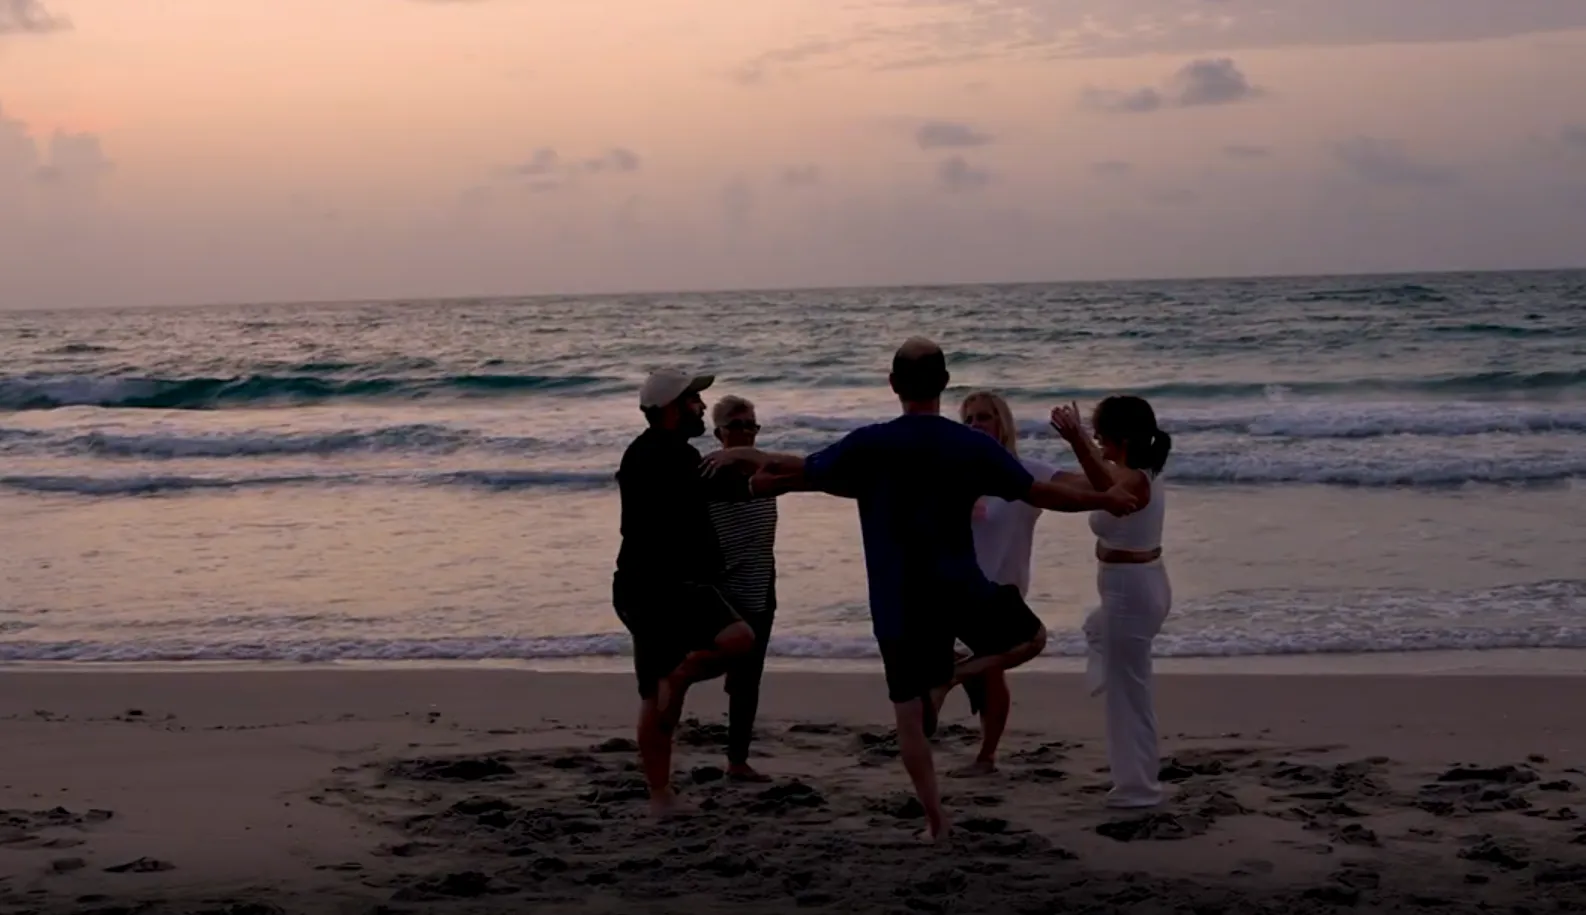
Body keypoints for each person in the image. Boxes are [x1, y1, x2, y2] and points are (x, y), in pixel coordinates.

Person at [703, 338, 1139, 842]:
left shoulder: (869, 444)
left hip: (896, 598)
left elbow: (806, 470)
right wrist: (1102, 498)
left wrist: (751, 460)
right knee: (1031, 638)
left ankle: (936, 822)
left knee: (909, 719)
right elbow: (1039, 492)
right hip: (957, 584)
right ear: (945, 384)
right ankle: (952, 679)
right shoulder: (970, 445)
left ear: (893, 385)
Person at [613, 368, 764, 818]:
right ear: (672, 409)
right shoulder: (670, 456)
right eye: (694, 401)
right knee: (738, 641)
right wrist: (808, 474)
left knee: (657, 690)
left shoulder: (650, 452)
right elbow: (742, 489)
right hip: (660, 589)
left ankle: (661, 794)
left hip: (657, 586)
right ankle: (660, 791)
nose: (701, 407)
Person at [1050, 395, 1173, 809]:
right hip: (1135, 588)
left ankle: (1137, 789)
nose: (1098, 443)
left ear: (1121, 438)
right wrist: (1017, 476)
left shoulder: (1136, 480)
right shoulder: (1130, 471)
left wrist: (1077, 440)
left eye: (1102, 436)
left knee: (1129, 696)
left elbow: (1108, 493)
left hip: (1131, 592)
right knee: (1097, 632)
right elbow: (1082, 481)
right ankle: (1139, 780)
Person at [952, 390, 1064, 777]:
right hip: (955, 586)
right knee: (965, 666)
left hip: (1001, 587)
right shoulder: (955, 473)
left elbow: (1079, 488)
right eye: (967, 420)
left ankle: (986, 755)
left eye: (983, 417)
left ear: (1002, 425)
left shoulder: (1025, 472)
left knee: (989, 669)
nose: (975, 426)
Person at [704, 395, 782, 782]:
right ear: (718, 432)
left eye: (752, 425)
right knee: (698, 666)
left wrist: (750, 455)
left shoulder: (763, 466)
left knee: (748, 682)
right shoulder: (708, 471)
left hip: (761, 584)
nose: (746, 431)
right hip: (720, 588)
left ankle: (737, 761)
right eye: (737, 425)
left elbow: (795, 471)